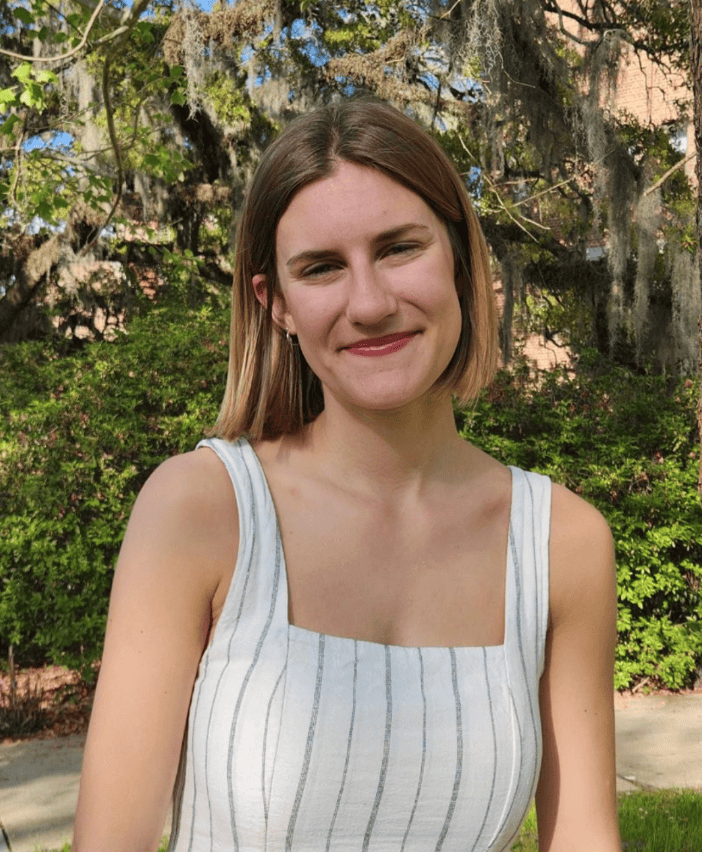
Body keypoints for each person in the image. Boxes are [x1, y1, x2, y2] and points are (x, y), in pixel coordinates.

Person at [73, 98, 621, 852]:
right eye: (322, 268)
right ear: (279, 306)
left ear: (460, 259)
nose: (369, 303)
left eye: (399, 248)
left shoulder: (565, 542)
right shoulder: (201, 510)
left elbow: (585, 839)